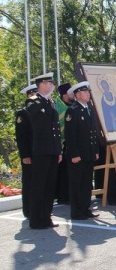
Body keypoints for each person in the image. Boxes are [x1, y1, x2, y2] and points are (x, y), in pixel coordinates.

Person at [26, 72, 62, 229]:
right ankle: (36, 219)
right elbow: (34, 127)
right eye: (48, 83)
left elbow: (56, 130)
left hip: (52, 150)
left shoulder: (51, 102)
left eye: (52, 83)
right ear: (40, 85)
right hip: (40, 151)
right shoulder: (33, 102)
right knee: (39, 186)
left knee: (49, 187)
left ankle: (46, 217)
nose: (51, 86)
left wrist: (58, 150)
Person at [64, 82, 100, 220]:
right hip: (78, 154)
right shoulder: (72, 111)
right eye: (85, 92)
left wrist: (95, 150)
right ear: (78, 95)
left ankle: (85, 209)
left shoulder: (88, 109)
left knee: (86, 183)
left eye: (88, 92)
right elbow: (70, 135)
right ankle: (77, 211)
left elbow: (93, 132)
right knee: (77, 184)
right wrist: (74, 154)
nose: (88, 94)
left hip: (89, 153)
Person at [14, 84, 38, 219]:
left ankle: (37, 208)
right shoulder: (22, 113)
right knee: (29, 182)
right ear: (28, 95)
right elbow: (21, 137)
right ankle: (28, 210)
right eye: (33, 93)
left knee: (38, 181)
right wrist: (25, 155)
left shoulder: (39, 111)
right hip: (29, 153)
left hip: (39, 153)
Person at [54, 82, 73, 204]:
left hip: (71, 143)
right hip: (60, 143)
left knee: (69, 171)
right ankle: (62, 196)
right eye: (71, 93)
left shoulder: (73, 105)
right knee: (61, 172)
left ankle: (68, 195)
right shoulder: (57, 106)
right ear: (65, 95)